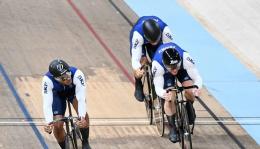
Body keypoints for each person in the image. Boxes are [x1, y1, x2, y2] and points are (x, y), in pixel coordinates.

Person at [152, 42, 202, 143]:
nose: (174, 69)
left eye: (175, 65)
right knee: (170, 98)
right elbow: (158, 87)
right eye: (171, 67)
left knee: (190, 89)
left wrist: (197, 88)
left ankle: (189, 106)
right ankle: (173, 128)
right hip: (165, 75)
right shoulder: (158, 65)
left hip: (182, 69)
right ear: (166, 64)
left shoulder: (185, 58)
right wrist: (164, 94)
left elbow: (197, 77)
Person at [42, 59, 91, 149]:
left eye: (68, 74)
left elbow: (81, 99)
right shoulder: (47, 80)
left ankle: (85, 142)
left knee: (82, 115)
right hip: (57, 94)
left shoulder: (77, 74)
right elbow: (47, 103)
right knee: (57, 124)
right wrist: (49, 122)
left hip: (73, 91)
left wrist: (82, 117)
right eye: (63, 78)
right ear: (56, 78)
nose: (68, 78)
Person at [129, 16, 174, 102]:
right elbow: (135, 60)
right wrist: (138, 70)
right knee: (142, 62)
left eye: (156, 40)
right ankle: (138, 83)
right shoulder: (137, 35)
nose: (154, 43)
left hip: (157, 38)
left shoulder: (165, 30)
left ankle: (157, 81)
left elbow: (169, 50)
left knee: (160, 60)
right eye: (152, 41)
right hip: (140, 41)